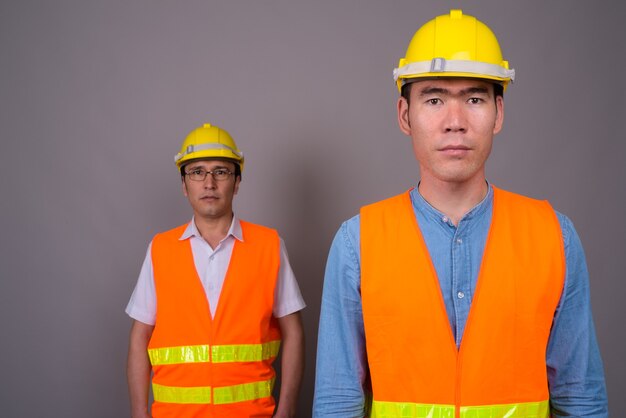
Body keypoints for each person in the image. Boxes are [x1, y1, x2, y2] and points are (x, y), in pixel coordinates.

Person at [313, 9, 608, 418]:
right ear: (405, 115)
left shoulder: (555, 237)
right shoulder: (356, 243)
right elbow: (336, 402)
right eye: (434, 99)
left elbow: (581, 398)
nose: (455, 122)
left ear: (498, 113)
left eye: (474, 98)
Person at [126, 123, 306, 418]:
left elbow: (294, 332)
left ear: (236, 182)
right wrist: (138, 413)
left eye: (220, 171)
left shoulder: (269, 245)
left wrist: (286, 409)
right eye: (197, 172)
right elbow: (139, 336)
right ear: (184, 185)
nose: (209, 183)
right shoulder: (160, 249)